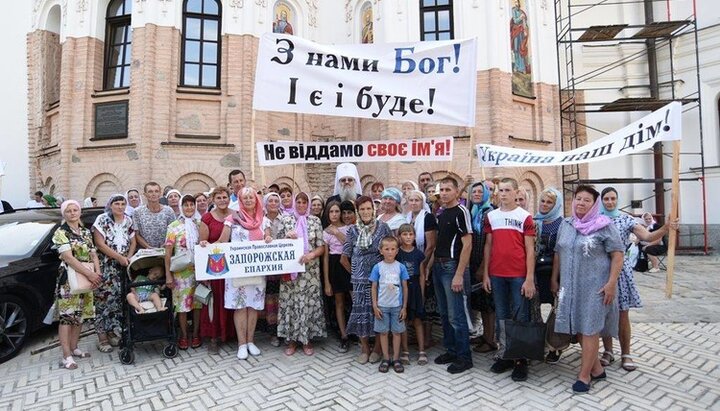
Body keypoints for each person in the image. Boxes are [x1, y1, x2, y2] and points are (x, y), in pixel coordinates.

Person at [551, 185, 624, 394]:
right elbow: (558, 252)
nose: (581, 203)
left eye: (587, 200)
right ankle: (598, 369)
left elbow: (617, 255)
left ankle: (584, 376)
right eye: (578, 199)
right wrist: (554, 279)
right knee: (580, 328)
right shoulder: (566, 224)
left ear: (595, 205)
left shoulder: (605, 225)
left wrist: (611, 283)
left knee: (590, 329)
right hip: (570, 286)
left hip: (596, 287)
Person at [598, 187, 676, 371]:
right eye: (606, 199)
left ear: (617, 200)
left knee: (623, 313)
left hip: (620, 271)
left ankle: (626, 353)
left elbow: (647, 236)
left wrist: (665, 228)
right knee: (603, 312)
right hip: (600, 270)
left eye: (613, 198)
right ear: (601, 201)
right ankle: (607, 351)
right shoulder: (596, 220)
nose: (610, 202)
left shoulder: (626, 219)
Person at [482, 177, 536, 381]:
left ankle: (521, 360)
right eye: (500, 190)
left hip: (518, 275)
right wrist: (486, 273)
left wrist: (529, 278)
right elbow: (488, 245)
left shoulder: (525, 217)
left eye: (507, 190)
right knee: (502, 316)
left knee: (521, 316)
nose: (502, 193)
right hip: (497, 275)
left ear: (515, 192)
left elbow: (530, 249)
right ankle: (506, 354)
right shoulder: (492, 216)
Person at [219, 187, 268, 360]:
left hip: (256, 270)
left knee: (253, 305)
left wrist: (269, 239)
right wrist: (205, 245)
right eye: (244, 198)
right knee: (240, 305)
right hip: (237, 270)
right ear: (240, 200)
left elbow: (269, 239)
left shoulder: (263, 219)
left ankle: (250, 341)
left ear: (256, 199)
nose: (248, 200)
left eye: (251, 197)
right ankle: (241, 344)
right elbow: (222, 241)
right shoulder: (232, 219)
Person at [342, 196, 392, 364]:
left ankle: (377, 348)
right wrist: (355, 274)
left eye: (368, 208)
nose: (365, 212)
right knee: (361, 313)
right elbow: (344, 257)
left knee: (378, 312)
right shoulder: (352, 230)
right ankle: (364, 348)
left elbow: (390, 250)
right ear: (358, 211)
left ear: (373, 209)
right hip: (359, 281)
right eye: (362, 209)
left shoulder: (383, 227)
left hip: (379, 280)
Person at [51, 199, 100, 369]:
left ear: (79, 212)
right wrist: (90, 274)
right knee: (67, 317)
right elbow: (68, 257)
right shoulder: (61, 232)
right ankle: (66, 356)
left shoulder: (86, 232)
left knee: (79, 316)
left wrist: (98, 273)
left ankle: (74, 347)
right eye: (68, 211)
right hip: (69, 280)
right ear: (64, 214)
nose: (72, 213)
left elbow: (93, 254)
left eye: (75, 210)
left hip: (87, 278)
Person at [432, 177, 474, 374]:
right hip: (438, 267)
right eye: (442, 189)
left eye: (448, 189)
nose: (444, 192)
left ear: (457, 192)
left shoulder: (461, 212)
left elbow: (467, 244)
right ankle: (451, 350)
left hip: (452, 267)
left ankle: (464, 357)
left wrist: (459, 274)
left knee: (456, 315)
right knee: (444, 314)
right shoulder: (442, 213)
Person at [277, 192, 327, 356]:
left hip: (309, 272)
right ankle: (291, 340)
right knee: (291, 303)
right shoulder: (286, 219)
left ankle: (307, 339)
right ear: (293, 203)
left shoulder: (315, 221)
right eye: (298, 202)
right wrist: (286, 237)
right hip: (291, 272)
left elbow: (321, 246)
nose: (301, 205)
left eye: (304, 202)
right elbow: (276, 245)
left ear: (308, 204)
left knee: (307, 303)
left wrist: (310, 255)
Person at [91, 194, 136, 353]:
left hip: (123, 266)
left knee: (117, 299)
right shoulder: (102, 220)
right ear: (110, 205)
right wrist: (119, 257)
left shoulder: (128, 220)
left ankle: (112, 332)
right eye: (116, 203)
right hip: (106, 266)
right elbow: (99, 244)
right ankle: (102, 338)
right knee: (103, 299)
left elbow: (133, 240)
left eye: (123, 203)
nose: (120, 206)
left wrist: (129, 257)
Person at [199, 186, 236, 354]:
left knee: (232, 299)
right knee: (216, 299)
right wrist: (205, 245)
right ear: (213, 200)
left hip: (234, 266)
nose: (222, 200)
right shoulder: (207, 218)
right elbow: (203, 243)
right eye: (219, 197)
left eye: (225, 197)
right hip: (215, 266)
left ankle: (230, 333)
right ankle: (213, 337)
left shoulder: (235, 215)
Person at [164, 194, 203, 350]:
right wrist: (168, 275)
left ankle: (196, 334)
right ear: (181, 207)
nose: (189, 208)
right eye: (186, 205)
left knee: (197, 304)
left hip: (198, 272)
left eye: (191, 205)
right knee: (182, 306)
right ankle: (184, 335)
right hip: (181, 273)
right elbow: (167, 252)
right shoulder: (174, 226)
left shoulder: (199, 223)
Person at [403, 189, 438, 349]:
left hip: (425, 263)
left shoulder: (428, 217)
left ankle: (428, 337)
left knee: (426, 300)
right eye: (411, 200)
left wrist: (423, 266)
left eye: (417, 200)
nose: (414, 203)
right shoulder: (407, 218)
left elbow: (431, 245)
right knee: (412, 299)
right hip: (410, 264)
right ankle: (414, 336)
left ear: (422, 202)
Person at [533, 187, 564, 363]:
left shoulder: (562, 223)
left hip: (554, 272)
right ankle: (538, 342)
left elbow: (560, 251)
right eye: (543, 201)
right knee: (534, 308)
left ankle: (555, 347)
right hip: (536, 272)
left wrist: (555, 278)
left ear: (556, 204)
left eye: (549, 202)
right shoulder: (534, 220)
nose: (545, 205)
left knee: (556, 310)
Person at [370, 236, 409, 373]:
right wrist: (375, 306)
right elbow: (374, 287)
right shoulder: (377, 267)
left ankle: (396, 359)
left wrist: (404, 307)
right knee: (383, 333)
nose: (390, 252)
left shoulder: (401, 267)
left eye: (393, 249)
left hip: (397, 306)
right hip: (382, 306)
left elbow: (405, 287)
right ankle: (386, 358)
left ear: (397, 251)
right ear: (381, 251)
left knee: (397, 332)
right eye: (387, 249)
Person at [467, 181, 497, 355]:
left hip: (484, 263)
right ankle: (485, 335)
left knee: (488, 304)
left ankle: (490, 340)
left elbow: (490, 243)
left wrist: (483, 267)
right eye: (474, 191)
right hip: (473, 261)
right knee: (480, 302)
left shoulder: (489, 213)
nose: (477, 194)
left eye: (480, 192)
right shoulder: (473, 211)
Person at [322, 201, 351, 352]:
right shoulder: (325, 232)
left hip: (348, 262)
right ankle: (344, 335)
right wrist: (327, 281)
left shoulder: (349, 228)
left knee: (354, 299)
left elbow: (349, 244)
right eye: (331, 212)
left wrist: (337, 232)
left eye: (337, 211)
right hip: (334, 265)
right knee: (339, 302)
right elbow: (326, 258)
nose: (334, 214)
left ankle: (359, 333)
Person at [396, 224, 427, 366]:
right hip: (402, 290)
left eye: (410, 234)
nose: (408, 237)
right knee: (403, 321)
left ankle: (421, 351)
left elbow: (421, 275)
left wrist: (421, 292)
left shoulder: (419, 254)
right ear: (399, 237)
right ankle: (405, 351)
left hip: (415, 289)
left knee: (418, 321)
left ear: (414, 236)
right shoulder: (397, 253)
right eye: (404, 234)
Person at [262, 192, 284, 347]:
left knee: (284, 299)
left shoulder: (286, 219)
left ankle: (285, 330)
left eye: (277, 200)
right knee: (270, 301)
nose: (274, 203)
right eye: (271, 200)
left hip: (284, 266)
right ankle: (273, 333)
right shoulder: (260, 220)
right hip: (267, 267)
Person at [133, 182, 176, 249]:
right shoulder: (137, 212)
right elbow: (137, 234)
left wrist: (166, 245)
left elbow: (174, 231)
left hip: (166, 250)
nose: (154, 194)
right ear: (145, 194)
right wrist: (148, 247)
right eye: (150, 191)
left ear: (160, 194)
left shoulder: (169, 211)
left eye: (156, 191)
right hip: (146, 252)